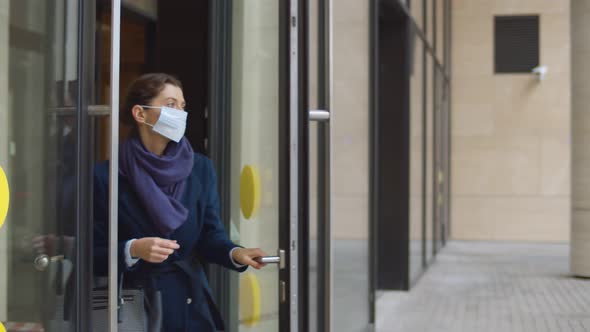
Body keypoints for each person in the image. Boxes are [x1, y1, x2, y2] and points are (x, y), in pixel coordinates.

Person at [93, 73, 267, 331]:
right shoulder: (106, 176)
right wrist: (132, 249)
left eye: (183, 106)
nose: (180, 113)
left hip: (190, 303)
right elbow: (90, 252)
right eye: (171, 105)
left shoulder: (200, 168)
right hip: (135, 308)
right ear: (140, 114)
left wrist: (235, 253)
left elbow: (210, 236)